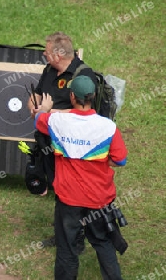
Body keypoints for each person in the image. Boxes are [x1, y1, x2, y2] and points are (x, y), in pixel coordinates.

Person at [35, 75, 128, 280]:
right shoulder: (108, 127)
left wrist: (45, 107)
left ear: (72, 96)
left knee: (67, 249)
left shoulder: (57, 121)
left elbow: (38, 120)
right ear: (93, 96)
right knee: (104, 244)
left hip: (68, 200)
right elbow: (120, 159)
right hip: (99, 200)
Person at [27, 31, 98, 249]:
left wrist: (48, 113)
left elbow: (87, 113)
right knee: (59, 189)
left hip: (72, 147)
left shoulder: (84, 76)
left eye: (46, 53)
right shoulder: (50, 70)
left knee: (73, 193)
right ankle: (63, 235)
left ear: (58, 55)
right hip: (49, 143)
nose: (44, 56)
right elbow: (36, 93)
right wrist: (34, 106)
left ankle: (77, 239)